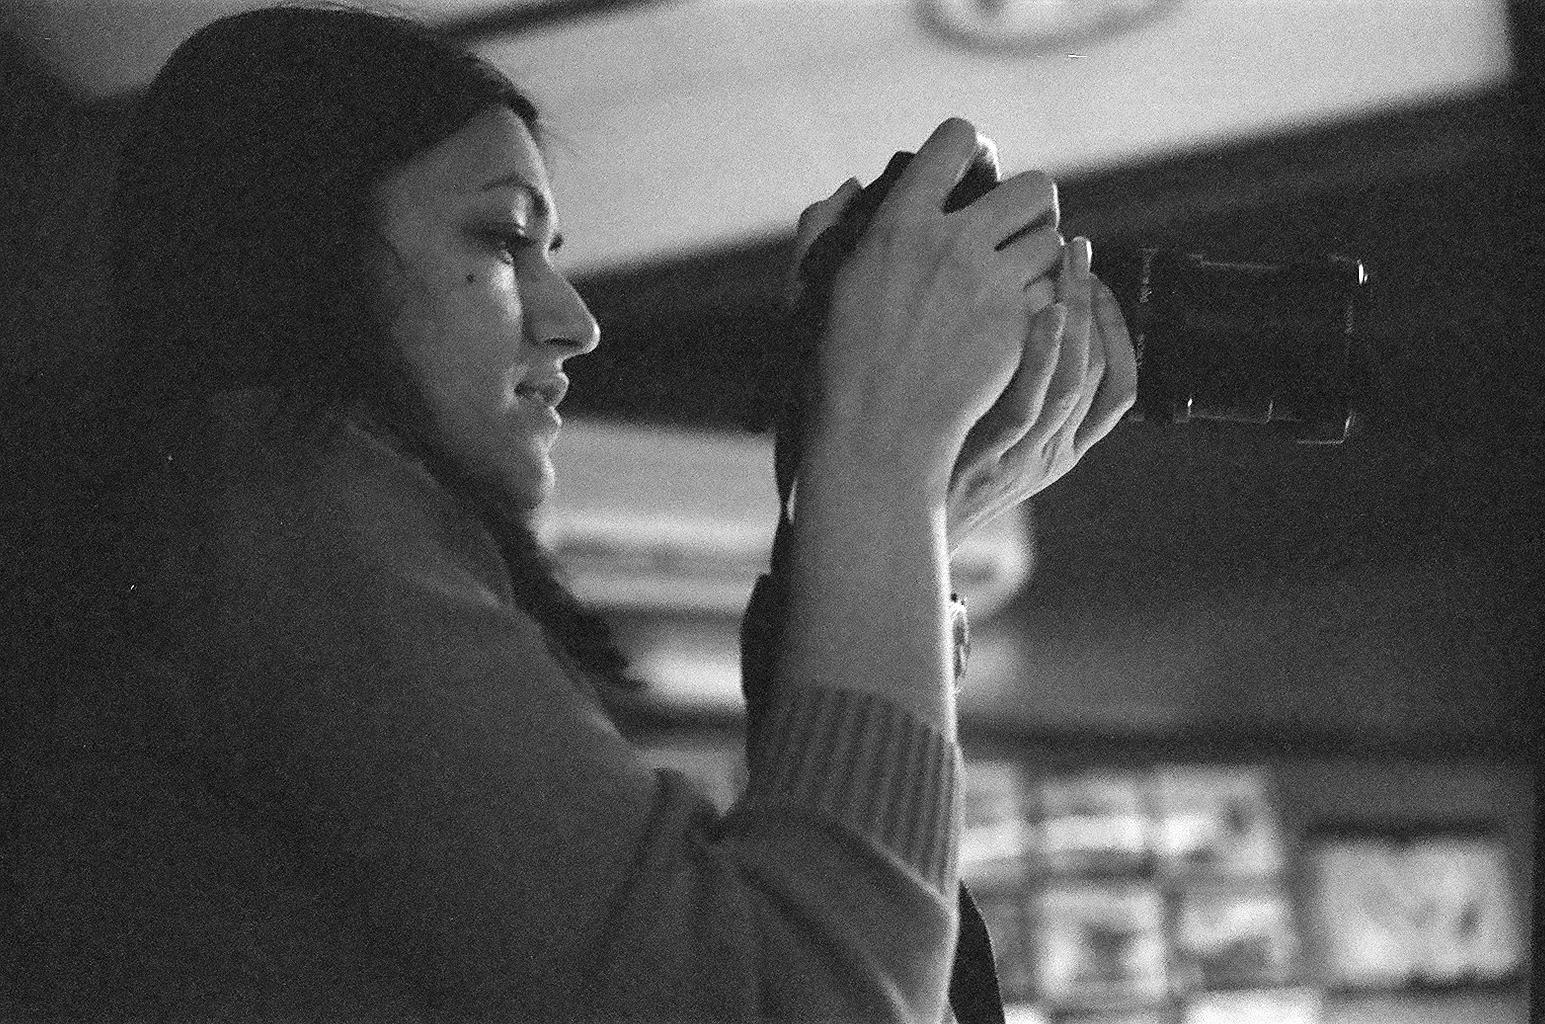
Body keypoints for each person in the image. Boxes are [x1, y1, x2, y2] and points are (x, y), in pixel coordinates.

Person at [4, 5, 1135, 1021]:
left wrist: (896, 519)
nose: (577, 321)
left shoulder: (223, 540)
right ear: (296, 248)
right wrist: (879, 464)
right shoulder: (280, 497)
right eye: (504, 239)